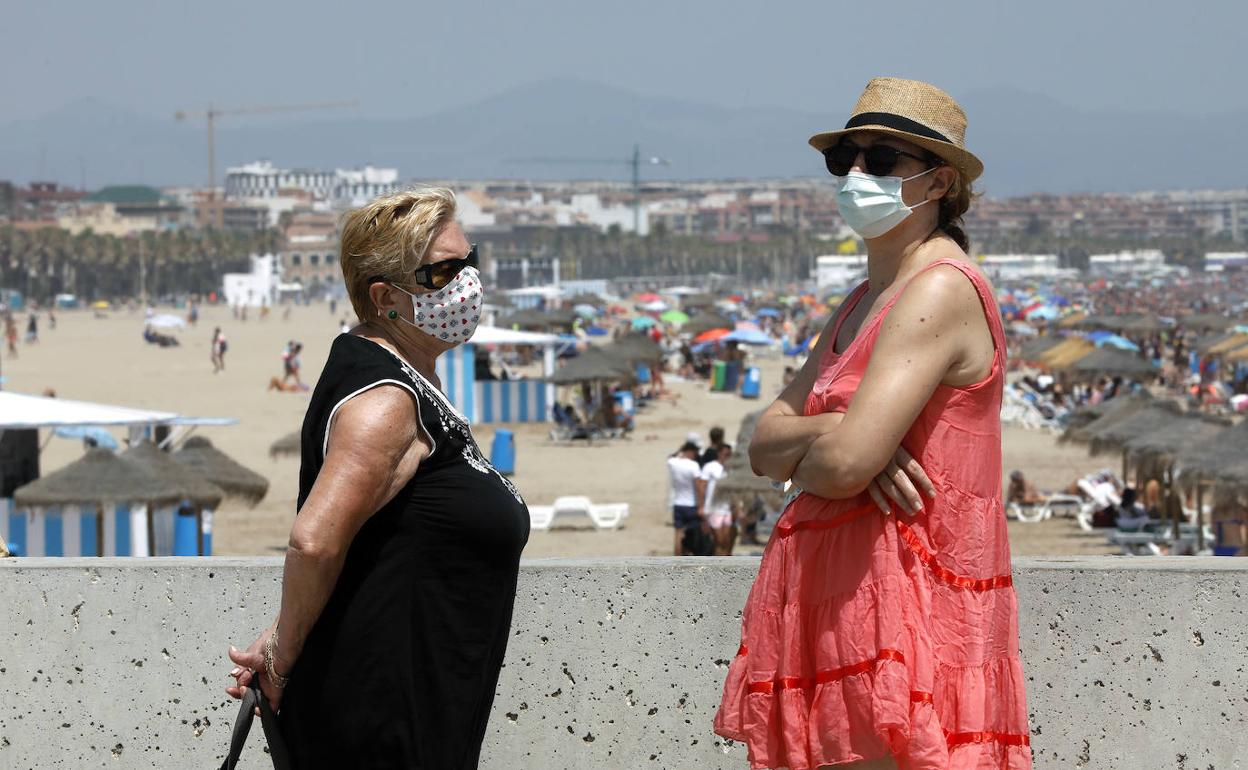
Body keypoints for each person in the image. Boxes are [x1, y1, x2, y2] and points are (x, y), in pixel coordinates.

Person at [714, 78, 1032, 769]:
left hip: (910, 606)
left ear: (938, 181)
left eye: (880, 161)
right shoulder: (864, 298)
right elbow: (761, 444)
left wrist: (844, 437)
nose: (856, 176)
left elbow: (848, 464)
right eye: (845, 160)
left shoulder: (940, 287)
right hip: (851, 601)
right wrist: (839, 428)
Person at [225, 188, 528, 769]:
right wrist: (281, 660)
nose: (468, 284)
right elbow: (315, 541)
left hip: (410, 710)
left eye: (471, 263)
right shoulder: (386, 401)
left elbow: (365, 546)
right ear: (386, 297)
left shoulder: (402, 377)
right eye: (443, 272)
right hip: (379, 723)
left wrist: (282, 629)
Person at [696, 443, 735, 555]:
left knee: (727, 541)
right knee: (719, 540)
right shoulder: (710, 467)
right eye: (725, 454)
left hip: (728, 508)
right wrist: (701, 506)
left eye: (729, 454)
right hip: (714, 508)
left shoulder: (731, 469)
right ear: (719, 454)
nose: (727, 456)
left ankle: (725, 565)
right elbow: (701, 487)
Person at [667, 441, 703, 555]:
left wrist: (680, 451)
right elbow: (698, 487)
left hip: (678, 503)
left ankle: (676, 558)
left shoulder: (673, 463)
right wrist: (701, 505)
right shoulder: (693, 466)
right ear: (691, 452)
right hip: (691, 504)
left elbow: (670, 456)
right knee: (692, 535)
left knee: (678, 533)